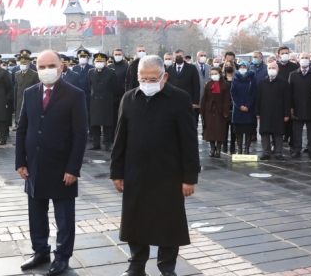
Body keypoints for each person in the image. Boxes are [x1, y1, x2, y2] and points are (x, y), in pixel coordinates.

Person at [111, 55, 199, 276]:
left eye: (153, 79)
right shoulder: (129, 99)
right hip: (135, 172)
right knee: (135, 221)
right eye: (143, 79)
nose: (147, 84)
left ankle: (167, 267)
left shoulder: (179, 99)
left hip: (168, 173)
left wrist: (189, 178)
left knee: (168, 223)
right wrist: (117, 172)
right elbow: (119, 139)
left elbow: (189, 141)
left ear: (164, 77)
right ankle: (136, 265)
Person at [15, 50, 88, 275]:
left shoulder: (74, 94)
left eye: (51, 65)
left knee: (64, 217)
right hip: (35, 165)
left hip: (62, 166)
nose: (46, 70)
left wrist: (73, 168)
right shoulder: (29, 92)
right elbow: (22, 128)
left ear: (61, 67)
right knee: (36, 213)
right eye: (41, 66)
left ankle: (62, 256)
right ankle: (40, 251)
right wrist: (20, 161)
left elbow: (80, 134)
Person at [255, 62, 291, 160]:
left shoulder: (283, 82)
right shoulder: (262, 82)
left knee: (278, 133)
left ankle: (278, 152)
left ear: (278, 69)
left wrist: (287, 114)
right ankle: (266, 152)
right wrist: (257, 112)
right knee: (265, 133)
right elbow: (258, 98)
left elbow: (287, 99)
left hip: (279, 113)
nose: (271, 69)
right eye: (269, 68)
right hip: (265, 112)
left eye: (273, 68)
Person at [288, 53, 311, 159]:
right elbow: (289, 92)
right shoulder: (293, 74)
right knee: (296, 131)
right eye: (302, 58)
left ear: (310, 60)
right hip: (297, 107)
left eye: (306, 58)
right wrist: (290, 106)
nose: (304, 60)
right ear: (298, 60)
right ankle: (296, 150)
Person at [88, 53, 119, 152]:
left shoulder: (110, 72)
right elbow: (90, 85)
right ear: (94, 62)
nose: (99, 63)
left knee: (107, 124)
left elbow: (115, 87)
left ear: (105, 62)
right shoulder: (91, 72)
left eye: (101, 61)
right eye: (97, 61)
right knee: (95, 124)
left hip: (106, 100)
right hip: (95, 100)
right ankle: (96, 144)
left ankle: (107, 144)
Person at [200, 67, 231, 158]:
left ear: (220, 74)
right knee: (210, 130)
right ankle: (212, 148)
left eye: (215, 73)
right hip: (209, 109)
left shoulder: (225, 85)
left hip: (220, 109)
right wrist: (202, 110)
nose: (214, 75)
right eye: (212, 74)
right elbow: (204, 98)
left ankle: (218, 149)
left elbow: (227, 99)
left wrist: (225, 111)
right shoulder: (208, 84)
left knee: (220, 129)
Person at [230, 63, 257, 155]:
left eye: (244, 67)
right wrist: (239, 105)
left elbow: (254, 93)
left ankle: (246, 149)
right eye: (241, 67)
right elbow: (233, 93)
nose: (242, 69)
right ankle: (239, 149)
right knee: (238, 130)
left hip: (249, 108)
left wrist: (248, 105)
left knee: (249, 129)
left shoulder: (253, 79)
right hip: (238, 108)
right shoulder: (235, 79)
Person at [14, 55, 40, 126]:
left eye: (24, 64)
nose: (22, 65)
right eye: (21, 64)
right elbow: (16, 87)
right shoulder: (17, 74)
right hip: (19, 99)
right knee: (20, 118)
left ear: (28, 65)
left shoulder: (34, 74)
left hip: (30, 99)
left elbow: (37, 88)